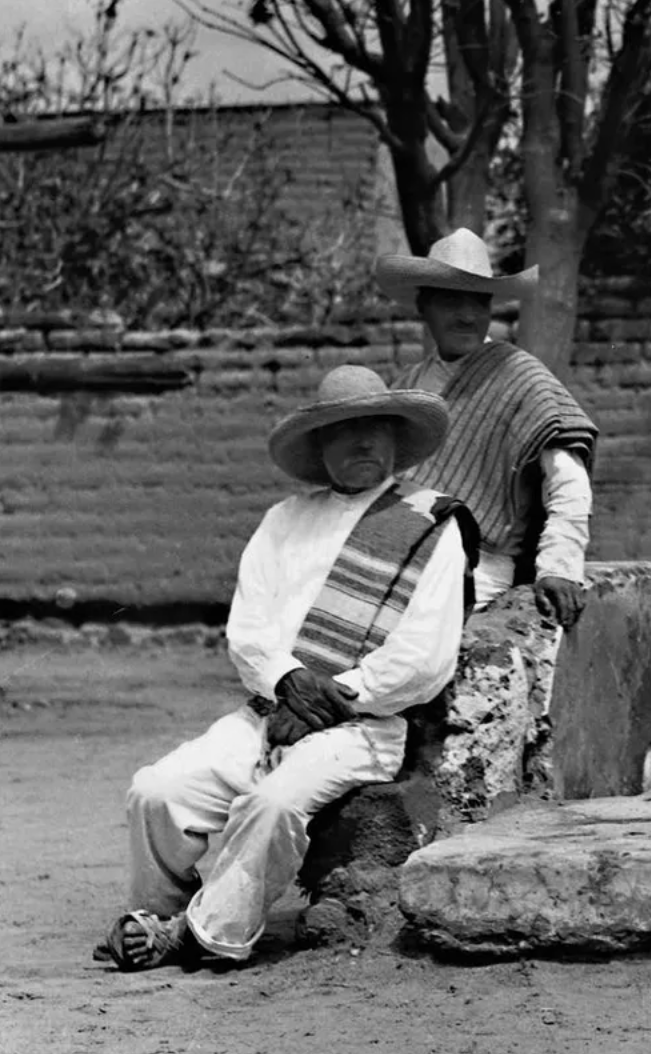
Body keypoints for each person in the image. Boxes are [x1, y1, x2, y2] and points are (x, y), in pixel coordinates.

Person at [96, 365, 472, 971]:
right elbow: (249, 630)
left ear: (396, 439)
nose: (363, 442)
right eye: (345, 430)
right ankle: (159, 914)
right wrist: (286, 684)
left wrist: (330, 698)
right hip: (271, 710)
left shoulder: (432, 527)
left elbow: (424, 658)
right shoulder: (284, 521)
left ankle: (204, 935)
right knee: (156, 790)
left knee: (272, 803)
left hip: (365, 726)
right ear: (319, 446)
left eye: (376, 427)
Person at [376, 228, 599, 623]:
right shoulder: (406, 387)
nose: (467, 315)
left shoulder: (520, 376)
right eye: (450, 300)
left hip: (476, 571)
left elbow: (569, 482)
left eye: (478, 301)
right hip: (392, 564)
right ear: (423, 305)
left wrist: (559, 568)